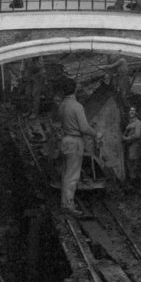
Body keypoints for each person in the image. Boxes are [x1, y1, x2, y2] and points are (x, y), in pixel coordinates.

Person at [58, 77, 102, 217]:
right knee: (72, 175)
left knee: (66, 173)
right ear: (75, 88)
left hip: (65, 140)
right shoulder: (77, 106)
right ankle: (67, 205)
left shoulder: (62, 105)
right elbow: (83, 128)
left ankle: (66, 201)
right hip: (75, 142)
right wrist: (95, 133)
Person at [122, 106, 141, 188]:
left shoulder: (138, 123)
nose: (132, 112)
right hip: (128, 146)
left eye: (133, 111)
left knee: (133, 165)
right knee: (129, 165)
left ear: (136, 113)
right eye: (130, 111)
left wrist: (126, 138)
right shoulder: (129, 123)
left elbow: (137, 135)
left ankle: (136, 185)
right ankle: (131, 184)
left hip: (134, 146)